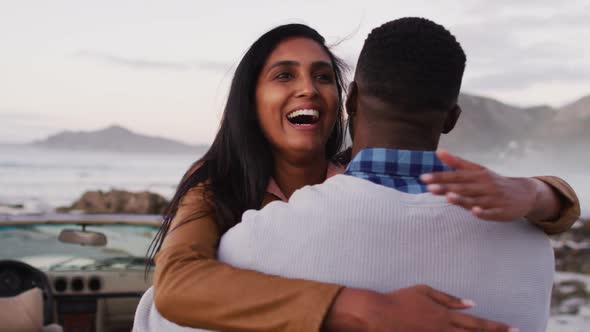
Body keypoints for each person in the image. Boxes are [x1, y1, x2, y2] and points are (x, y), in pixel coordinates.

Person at [147, 23, 580, 331]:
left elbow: (425, 187)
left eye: (323, 76)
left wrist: (540, 193)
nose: (309, 89)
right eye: (284, 75)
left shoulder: (356, 181)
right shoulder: (216, 184)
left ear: (348, 99)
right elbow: (177, 285)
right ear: (250, 98)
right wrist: (361, 306)